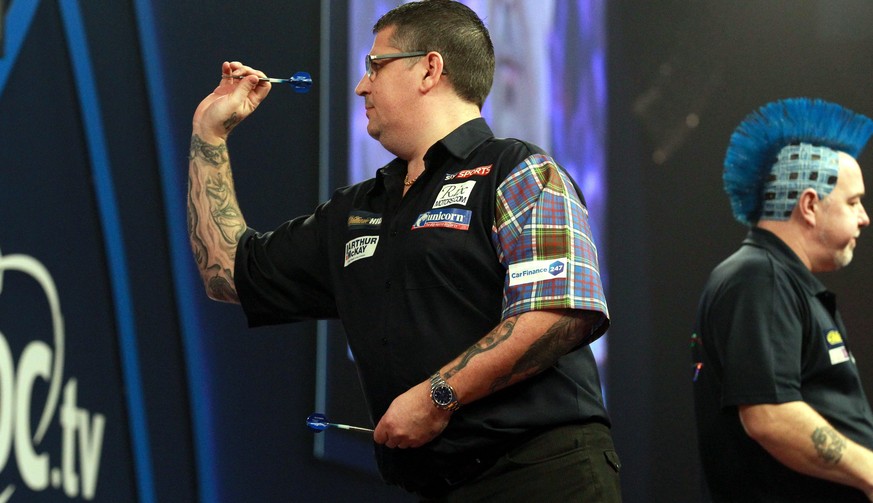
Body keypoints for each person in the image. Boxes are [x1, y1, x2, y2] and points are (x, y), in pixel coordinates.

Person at [187, 0, 620, 501]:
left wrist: (438, 396)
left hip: (544, 474)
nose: (361, 85)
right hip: (436, 486)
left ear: (429, 69)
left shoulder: (519, 170)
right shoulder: (357, 210)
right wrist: (209, 135)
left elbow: (561, 310)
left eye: (375, 65)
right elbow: (226, 274)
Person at [692, 97, 873, 502]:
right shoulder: (760, 278)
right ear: (809, 205)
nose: (864, 217)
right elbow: (770, 416)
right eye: (853, 202)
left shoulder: (777, 280)